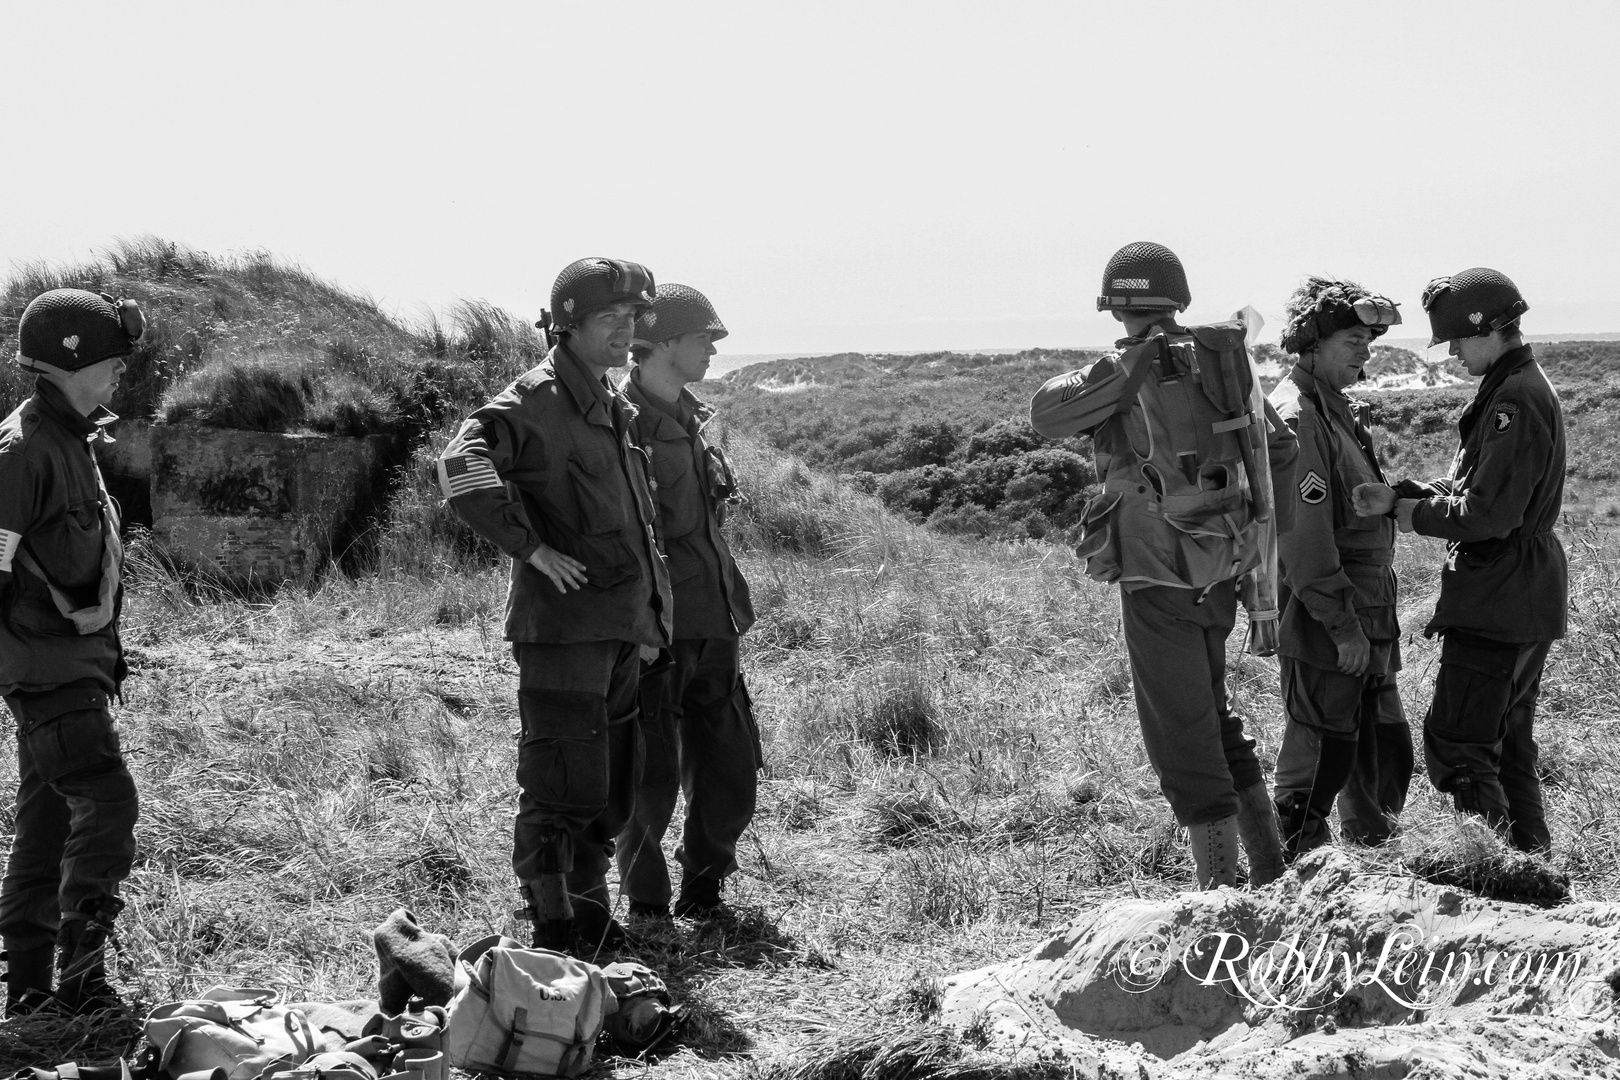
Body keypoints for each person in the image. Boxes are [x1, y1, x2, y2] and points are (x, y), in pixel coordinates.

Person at [1030, 242, 1297, 889]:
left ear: (1116, 306)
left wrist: (1126, 369)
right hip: (1219, 578)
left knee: (1182, 744)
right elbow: (1280, 451)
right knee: (1213, 718)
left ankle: (1223, 899)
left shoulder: (1123, 371)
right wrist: (1249, 546)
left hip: (1155, 580)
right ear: (1176, 299)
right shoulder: (1222, 365)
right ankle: (1271, 872)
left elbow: (1045, 415)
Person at [438, 258, 672, 952]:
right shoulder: (533, 402)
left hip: (619, 627)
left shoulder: (609, 403)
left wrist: (652, 619)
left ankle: (589, 912)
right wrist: (529, 548)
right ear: (568, 325)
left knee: (611, 785)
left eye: (633, 320)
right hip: (565, 632)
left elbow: (637, 524)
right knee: (563, 785)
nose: (625, 332)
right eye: (611, 320)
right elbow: (460, 463)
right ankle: (560, 929)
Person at [1354, 268, 1563, 854]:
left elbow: (1486, 515)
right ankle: (1534, 872)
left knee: (1461, 741)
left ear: (1488, 331)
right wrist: (1409, 492)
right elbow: (1472, 487)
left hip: (1500, 593)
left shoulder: (1514, 400)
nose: (1453, 355)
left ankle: (1499, 881)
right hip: (1519, 590)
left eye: (1456, 342)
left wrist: (1409, 515)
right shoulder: (1513, 386)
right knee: (1507, 741)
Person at [0, 289, 146, 1014]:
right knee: (109, 804)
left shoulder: (74, 441)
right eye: (111, 364)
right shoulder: (23, 453)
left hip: (70, 671)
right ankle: (83, 982)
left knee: (49, 823)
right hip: (46, 674)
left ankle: (28, 991)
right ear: (71, 363)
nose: (119, 375)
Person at [614, 284, 760, 919]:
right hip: (657, 628)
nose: (713, 347)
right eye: (703, 337)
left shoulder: (697, 420)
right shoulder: (617, 423)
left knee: (731, 768)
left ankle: (706, 888)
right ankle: (647, 905)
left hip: (714, 618)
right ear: (663, 342)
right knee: (649, 778)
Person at [1267, 278, 1413, 862]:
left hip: (1368, 604)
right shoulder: (1299, 415)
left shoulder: (1336, 408)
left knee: (1377, 742)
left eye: (1369, 341)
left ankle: (1370, 854)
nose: (1365, 352)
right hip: (1335, 612)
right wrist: (1341, 624)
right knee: (1322, 742)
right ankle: (1296, 870)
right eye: (1353, 339)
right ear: (1313, 343)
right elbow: (1304, 536)